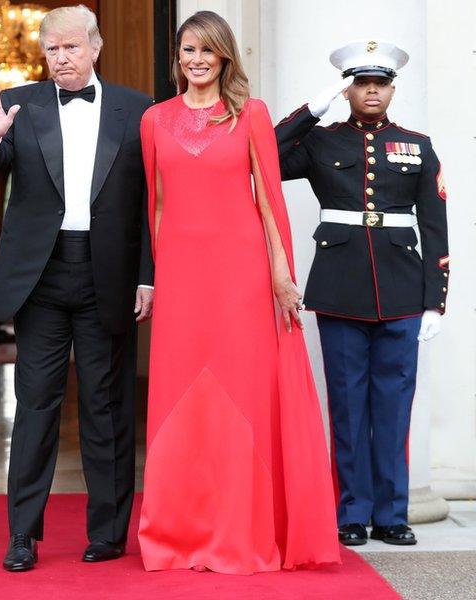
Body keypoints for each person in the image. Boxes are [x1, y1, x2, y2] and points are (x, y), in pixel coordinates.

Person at [136, 11, 340, 573]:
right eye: (187, 50)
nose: (196, 60)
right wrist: (160, 276)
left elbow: (271, 200)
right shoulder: (154, 120)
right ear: (176, 58)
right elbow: (155, 206)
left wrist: (280, 273)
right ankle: (177, 532)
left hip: (242, 279)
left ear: (225, 57)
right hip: (182, 281)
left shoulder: (250, 115)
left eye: (207, 50)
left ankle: (241, 530)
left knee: (242, 393)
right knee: (178, 396)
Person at [0, 5, 154, 572]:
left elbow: (152, 202)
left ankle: (108, 531)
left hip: (109, 275)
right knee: (36, 407)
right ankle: (22, 534)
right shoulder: (21, 103)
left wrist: (148, 274)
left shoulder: (137, 108)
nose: (61, 58)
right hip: (41, 277)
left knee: (107, 408)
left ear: (96, 47)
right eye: (51, 49)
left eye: (71, 47)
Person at [275, 40, 449, 547]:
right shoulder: (322, 141)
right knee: (348, 407)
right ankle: (352, 512)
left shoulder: (417, 144)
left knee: (394, 408)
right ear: (348, 88)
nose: (371, 90)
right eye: (361, 83)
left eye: (381, 83)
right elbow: (262, 154)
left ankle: (393, 514)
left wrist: (435, 300)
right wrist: (309, 112)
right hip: (340, 288)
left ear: (393, 88)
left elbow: (435, 226)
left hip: (401, 290)